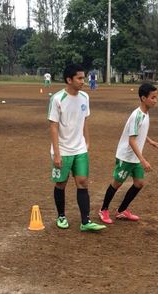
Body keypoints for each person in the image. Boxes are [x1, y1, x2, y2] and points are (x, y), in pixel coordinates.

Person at [48, 63, 106, 232]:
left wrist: (87, 142)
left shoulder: (85, 97)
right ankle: (61, 216)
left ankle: (85, 221)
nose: (84, 81)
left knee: (82, 182)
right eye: (80, 78)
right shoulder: (58, 99)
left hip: (80, 148)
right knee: (61, 183)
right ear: (69, 79)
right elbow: (53, 126)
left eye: (84, 77)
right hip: (63, 150)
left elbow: (85, 120)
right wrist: (57, 154)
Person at [98, 83, 158, 224]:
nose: (155, 100)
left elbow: (139, 131)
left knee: (139, 183)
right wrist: (143, 160)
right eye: (153, 97)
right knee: (116, 184)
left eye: (156, 97)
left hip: (134, 158)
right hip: (126, 157)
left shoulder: (145, 113)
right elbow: (131, 140)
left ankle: (122, 211)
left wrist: (149, 141)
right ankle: (103, 210)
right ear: (143, 98)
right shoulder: (136, 115)